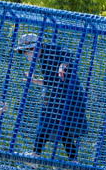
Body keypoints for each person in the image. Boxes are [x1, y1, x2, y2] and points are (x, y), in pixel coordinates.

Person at [14, 33, 88, 161]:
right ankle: (73, 161)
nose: (25, 56)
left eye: (25, 52)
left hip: (68, 95)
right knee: (62, 127)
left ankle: (36, 155)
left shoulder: (50, 49)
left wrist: (62, 66)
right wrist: (34, 80)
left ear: (33, 48)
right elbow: (50, 82)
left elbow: (68, 53)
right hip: (60, 96)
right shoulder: (43, 58)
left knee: (46, 121)